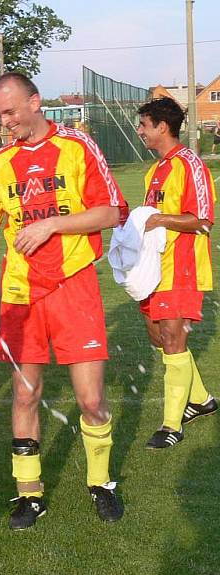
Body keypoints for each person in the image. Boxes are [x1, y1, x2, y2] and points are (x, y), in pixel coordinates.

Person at [0, 73, 127, 530]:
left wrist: (52, 225)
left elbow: (112, 211)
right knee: (24, 394)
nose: (6, 122)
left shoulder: (78, 147)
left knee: (90, 399)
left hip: (75, 286)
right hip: (20, 294)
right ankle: (29, 493)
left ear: (36, 102)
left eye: (11, 111)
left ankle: (101, 481)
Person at [135, 97, 217, 448]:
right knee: (158, 337)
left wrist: (160, 219)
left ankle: (172, 425)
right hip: (155, 269)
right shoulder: (154, 171)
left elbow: (202, 221)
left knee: (171, 338)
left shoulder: (190, 165)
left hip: (182, 268)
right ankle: (201, 400)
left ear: (162, 127)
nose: (140, 131)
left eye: (144, 125)